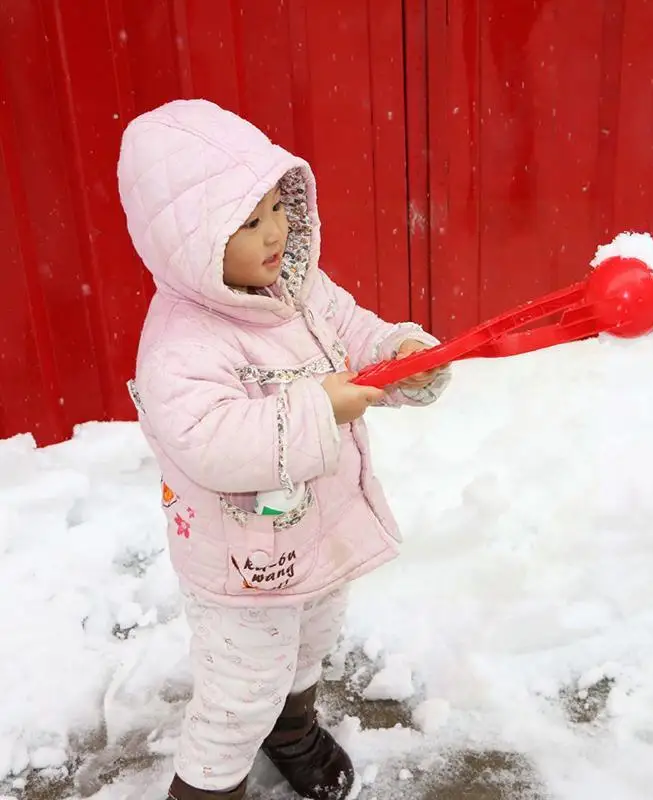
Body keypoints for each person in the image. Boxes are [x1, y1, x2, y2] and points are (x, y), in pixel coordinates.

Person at [117, 98, 450, 800]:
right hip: (241, 564)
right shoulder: (182, 343)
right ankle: (208, 787)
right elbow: (209, 443)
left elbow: (350, 330)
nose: (275, 233)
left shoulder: (293, 287)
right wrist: (317, 408)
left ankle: (292, 730)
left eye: (276, 207)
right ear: (189, 240)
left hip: (316, 531)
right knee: (240, 691)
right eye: (246, 223)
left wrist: (398, 353)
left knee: (309, 644)